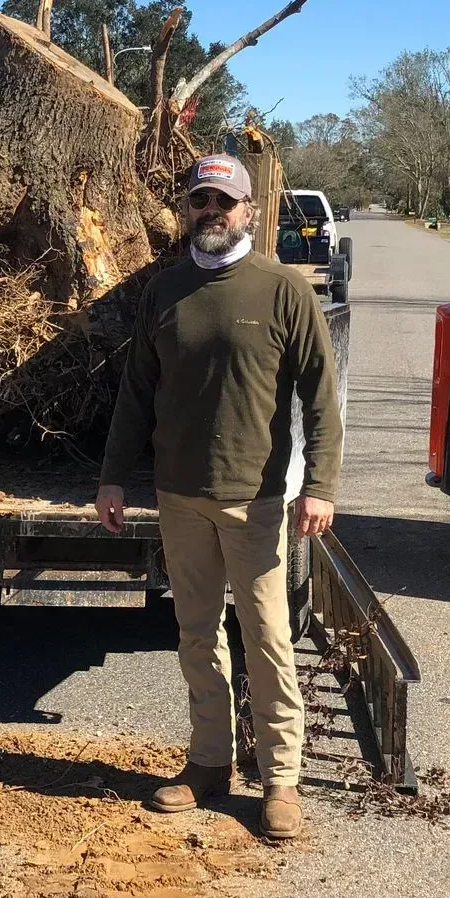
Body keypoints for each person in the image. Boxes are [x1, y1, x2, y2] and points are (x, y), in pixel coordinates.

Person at [95, 154, 343, 841]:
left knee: (267, 639)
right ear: (188, 208)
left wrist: (319, 484)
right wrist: (114, 475)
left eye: (225, 201)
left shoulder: (282, 289)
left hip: (255, 500)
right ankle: (209, 763)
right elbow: (136, 393)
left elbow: (321, 398)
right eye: (201, 199)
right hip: (179, 496)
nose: (212, 211)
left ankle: (282, 779)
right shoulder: (165, 292)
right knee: (197, 634)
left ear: (250, 212)